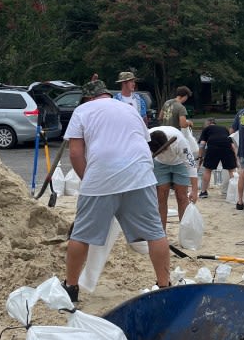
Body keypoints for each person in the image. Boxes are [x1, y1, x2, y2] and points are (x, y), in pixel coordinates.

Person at [62, 80, 171, 301]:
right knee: (155, 233)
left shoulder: (82, 110)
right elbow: (142, 141)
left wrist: (89, 180)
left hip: (102, 175)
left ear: (88, 98)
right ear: (107, 94)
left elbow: (75, 153)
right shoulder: (130, 109)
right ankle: (164, 284)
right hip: (140, 176)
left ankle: (71, 288)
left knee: (81, 235)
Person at [148, 125, 196, 228]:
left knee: (182, 196)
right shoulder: (145, 138)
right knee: (161, 196)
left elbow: (191, 165)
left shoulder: (180, 142)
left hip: (179, 163)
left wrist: (195, 190)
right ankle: (161, 234)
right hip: (159, 164)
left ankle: (184, 233)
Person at [197, 118, 237, 198]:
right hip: (227, 146)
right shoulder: (224, 128)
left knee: (208, 170)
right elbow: (232, 145)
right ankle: (235, 192)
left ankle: (203, 191)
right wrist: (236, 158)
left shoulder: (206, 129)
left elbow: (202, 144)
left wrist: (200, 157)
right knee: (231, 170)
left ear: (207, 124)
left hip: (213, 146)